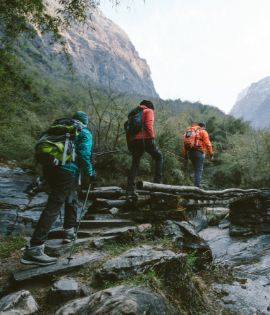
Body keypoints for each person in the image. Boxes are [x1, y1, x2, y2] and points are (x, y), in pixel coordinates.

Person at [21, 111, 95, 266]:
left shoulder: (60, 127)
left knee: (70, 197)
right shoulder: (84, 132)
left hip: (50, 167)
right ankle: (34, 248)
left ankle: (69, 231)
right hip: (67, 170)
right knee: (54, 205)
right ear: (85, 121)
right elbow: (83, 154)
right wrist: (90, 172)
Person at [126, 100, 163, 196]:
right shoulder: (148, 111)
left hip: (134, 141)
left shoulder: (133, 114)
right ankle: (157, 184)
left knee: (135, 163)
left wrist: (130, 143)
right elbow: (148, 125)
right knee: (158, 157)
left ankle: (130, 188)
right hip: (145, 139)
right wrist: (152, 138)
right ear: (150, 107)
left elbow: (128, 130)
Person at [182, 122, 213, 187]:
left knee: (196, 169)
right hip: (199, 153)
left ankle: (195, 185)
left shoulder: (189, 131)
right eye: (204, 128)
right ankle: (196, 188)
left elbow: (184, 144)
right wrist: (211, 154)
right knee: (198, 170)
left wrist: (184, 155)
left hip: (190, 153)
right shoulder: (203, 132)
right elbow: (208, 144)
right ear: (203, 127)